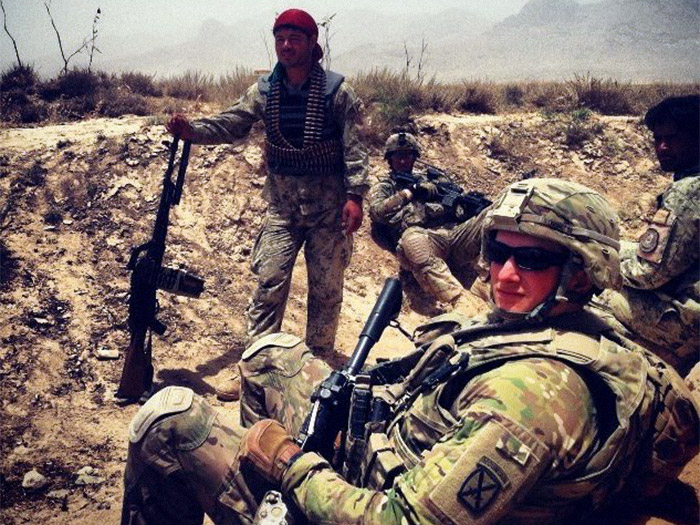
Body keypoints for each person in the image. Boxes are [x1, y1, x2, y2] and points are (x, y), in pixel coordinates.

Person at [120, 178, 699, 525]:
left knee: (166, 419)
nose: (504, 273)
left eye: (533, 260)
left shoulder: (531, 402)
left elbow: (403, 520)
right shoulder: (588, 329)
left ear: (579, 273)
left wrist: (292, 465)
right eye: (499, 251)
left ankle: (275, 501)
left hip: (378, 503)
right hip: (389, 458)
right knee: (270, 355)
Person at [166, 8, 369, 400]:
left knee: (326, 291)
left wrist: (355, 197)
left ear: (313, 44)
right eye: (280, 38)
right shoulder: (264, 90)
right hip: (282, 210)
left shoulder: (336, 92)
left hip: (328, 212)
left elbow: (355, 148)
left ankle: (321, 367)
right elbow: (232, 122)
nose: (287, 46)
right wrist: (192, 131)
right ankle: (254, 371)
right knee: (268, 285)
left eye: (295, 38)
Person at [592, 94, 699, 377]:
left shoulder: (688, 193)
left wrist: (599, 262)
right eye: (657, 139)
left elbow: (649, 273)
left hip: (687, 324)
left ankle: (649, 366)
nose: (662, 147)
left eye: (672, 138)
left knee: (586, 289)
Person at [368, 131, 485, 311]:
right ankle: (461, 302)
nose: (403, 161)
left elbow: (456, 211)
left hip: (452, 237)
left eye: (407, 156)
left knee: (489, 220)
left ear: (414, 158)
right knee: (413, 240)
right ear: (389, 159)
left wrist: (466, 208)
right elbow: (377, 212)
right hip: (421, 242)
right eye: (398, 156)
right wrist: (409, 193)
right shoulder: (386, 186)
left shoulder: (433, 181)